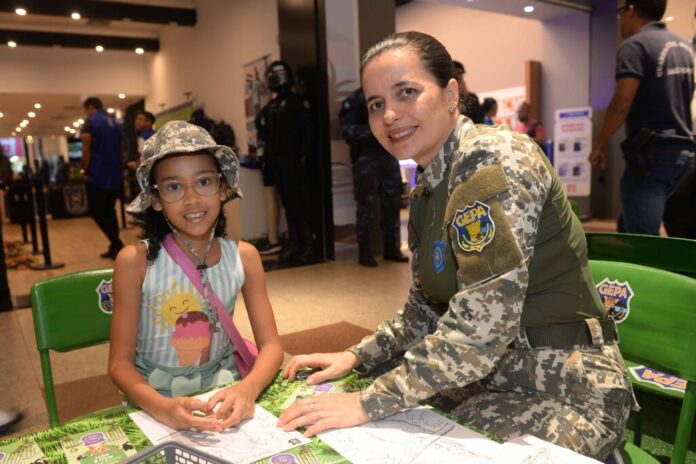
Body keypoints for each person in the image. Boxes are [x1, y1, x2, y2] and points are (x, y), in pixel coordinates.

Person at [277, 32, 634, 461]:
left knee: (396, 433)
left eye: (406, 92)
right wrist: (356, 356)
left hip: (568, 390)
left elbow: (480, 330)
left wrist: (368, 402)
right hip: (489, 377)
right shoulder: (428, 191)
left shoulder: (493, 159)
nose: (390, 115)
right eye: (375, 104)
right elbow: (422, 311)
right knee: (353, 403)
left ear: (451, 94)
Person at [109, 121, 283, 432]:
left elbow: (271, 347)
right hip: (154, 401)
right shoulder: (135, 262)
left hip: (224, 393)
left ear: (223, 187)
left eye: (204, 182)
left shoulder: (245, 257)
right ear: (157, 199)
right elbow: (119, 365)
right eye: (174, 187)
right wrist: (162, 408)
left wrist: (247, 389)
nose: (192, 199)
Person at [589, 0, 695, 236]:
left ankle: (649, 271)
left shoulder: (635, 46)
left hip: (652, 156)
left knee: (643, 239)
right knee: (632, 222)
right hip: (684, 156)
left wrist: (599, 144)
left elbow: (622, 102)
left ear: (631, 10)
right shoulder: (684, 46)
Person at [339, 88, 408, 267]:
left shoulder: (388, 96)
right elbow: (347, 130)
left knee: (392, 204)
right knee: (366, 207)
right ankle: (365, 251)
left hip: (388, 156)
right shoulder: (355, 100)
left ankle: (390, 249)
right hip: (365, 160)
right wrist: (376, 131)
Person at [255, 61, 315, 264]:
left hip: (294, 164)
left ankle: (307, 246)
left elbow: (307, 133)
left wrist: (303, 157)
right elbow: (265, 135)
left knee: (299, 206)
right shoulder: (271, 107)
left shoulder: (297, 103)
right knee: (288, 206)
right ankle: (295, 245)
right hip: (278, 164)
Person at [81, 97, 125, 260]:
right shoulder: (116, 123)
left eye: (86, 110)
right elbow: (121, 148)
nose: (86, 113)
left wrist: (84, 170)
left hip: (97, 174)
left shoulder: (90, 122)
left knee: (96, 212)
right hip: (115, 174)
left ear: (90, 107)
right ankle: (114, 246)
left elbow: (86, 149)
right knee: (109, 210)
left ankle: (117, 243)